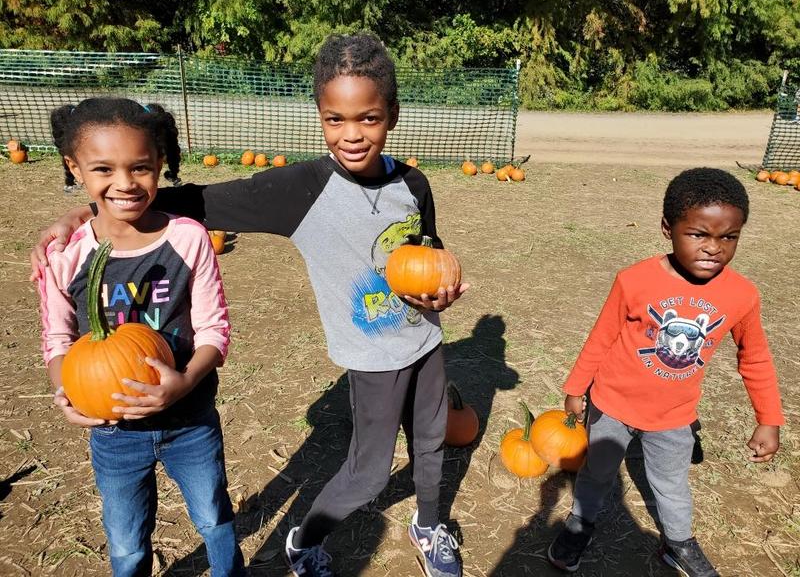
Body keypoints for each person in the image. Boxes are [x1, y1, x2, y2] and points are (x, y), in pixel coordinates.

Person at [33, 34, 469, 577]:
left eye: (369, 118)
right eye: (336, 119)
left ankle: (429, 526)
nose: (352, 134)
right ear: (320, 115)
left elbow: (430, 254)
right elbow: (190, 198)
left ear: (393, 115)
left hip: (425, 339)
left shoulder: (414, 183)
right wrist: (83, 216)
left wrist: (441, 294)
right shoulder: (301, 190)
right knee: (371, 473)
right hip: (372, 354)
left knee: (432, 440)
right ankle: (304, 540)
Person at [38, 97, 245, 577]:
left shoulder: (189, 238)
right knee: (127, 543)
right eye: (103, 169)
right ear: (75, 168)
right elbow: (58, 337)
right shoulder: (65, 254)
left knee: (214, 518)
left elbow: (215, 328)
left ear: (161, 166)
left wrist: (185, 380)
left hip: (190, 420)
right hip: (113, 432)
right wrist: (64, 386)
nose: (125, 183)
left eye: (141, 168)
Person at [547, 168, 784, 577]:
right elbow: (602, 337)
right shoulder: (634, 280)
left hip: (674, 415)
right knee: (597, 473)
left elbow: (756, 358)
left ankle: (677, 542)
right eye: (698, 234)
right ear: (666, 228)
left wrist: (769, 419)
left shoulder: (741, 295)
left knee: (672, 485)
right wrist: (576, 386)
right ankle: (579, 524)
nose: (714, 248)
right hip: (612, 404)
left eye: (729, 237)